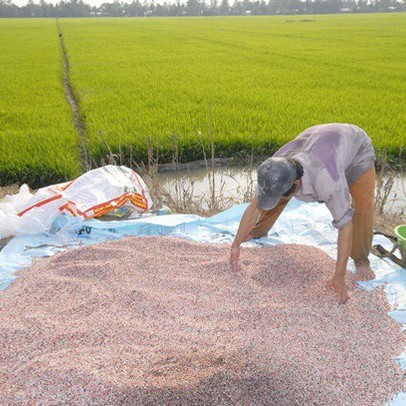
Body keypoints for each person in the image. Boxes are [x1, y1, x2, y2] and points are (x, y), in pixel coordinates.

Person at [229, 123, 376, 304]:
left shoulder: (328, 180)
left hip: (355, 149)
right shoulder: (275, 167)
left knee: (363, 204)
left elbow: (345, 226)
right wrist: (236, 244)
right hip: (319, 142)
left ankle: (362, 260)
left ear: (297, 185)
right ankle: (259, 230)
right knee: (278, 194)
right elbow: (254, 207)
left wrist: (339, 276)